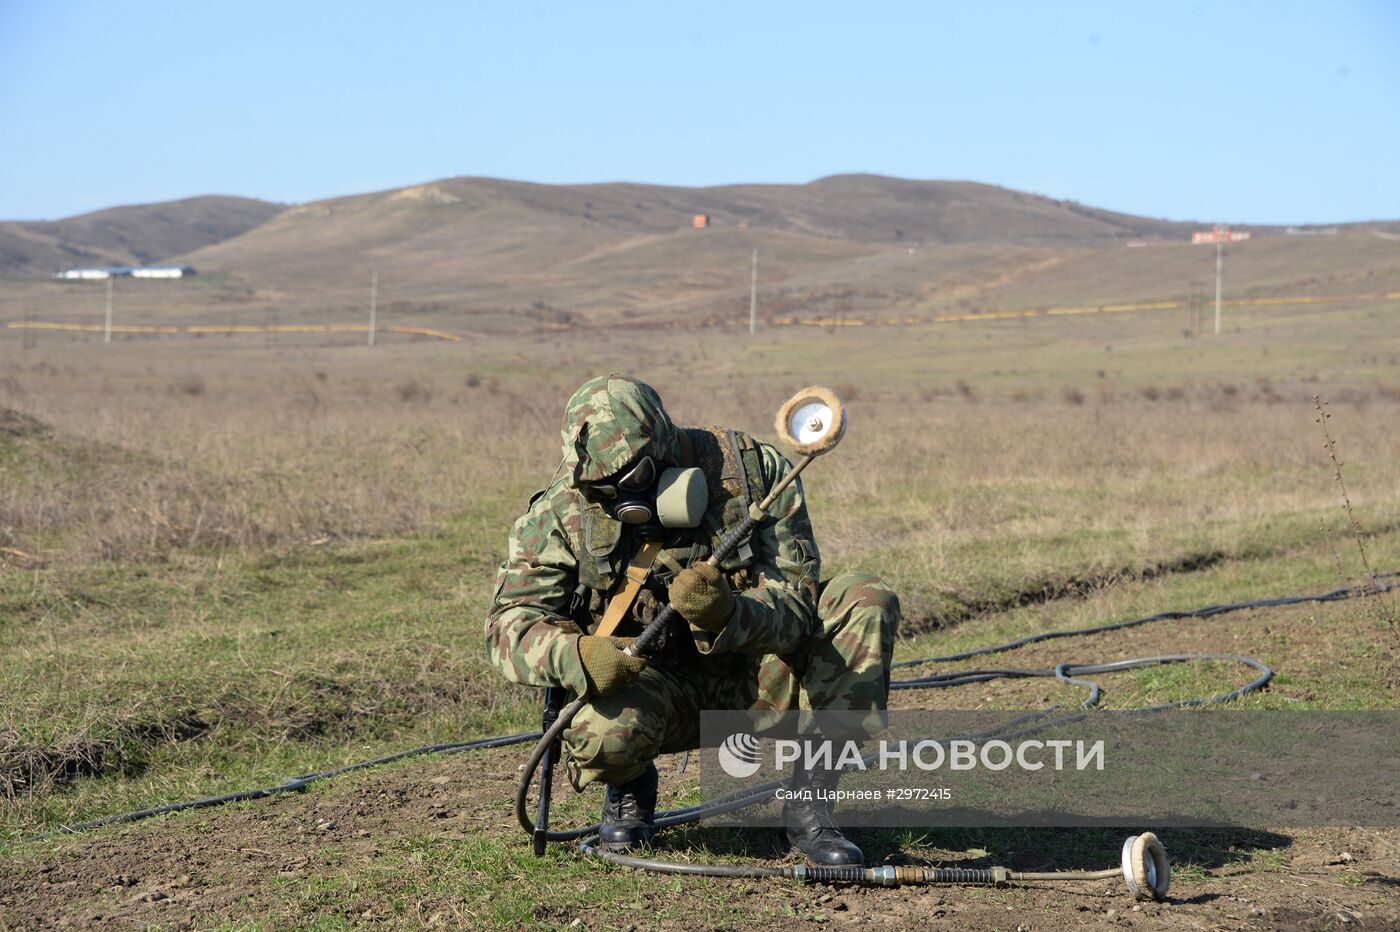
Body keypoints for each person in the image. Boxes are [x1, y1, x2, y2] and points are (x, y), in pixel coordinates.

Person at [486, 374, 899, 865]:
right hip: (652, 689)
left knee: (863, 597)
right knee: (601, 733)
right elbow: (509, 624)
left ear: (663, 444)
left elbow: (798, 601)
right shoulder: (564, 508)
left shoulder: (753, 473)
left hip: (760, 679)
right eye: (601, 488)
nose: (619, 500)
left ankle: (811, 799)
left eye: (632, 480)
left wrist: (729, 613)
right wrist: (575, 655)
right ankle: (629, 785)